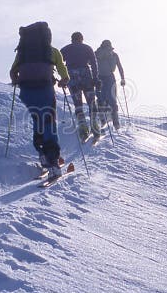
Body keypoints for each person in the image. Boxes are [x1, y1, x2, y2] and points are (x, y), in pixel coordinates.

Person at [9, 21, 69, 179]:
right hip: (45, 89)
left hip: (27, 92)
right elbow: (62, 69)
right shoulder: (51, 51)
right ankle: (53, 161)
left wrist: (16, 80)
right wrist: (64, 79)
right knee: (49, 121)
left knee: (38, 120)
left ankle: (42, 153)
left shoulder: (23, 52)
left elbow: (12, 71)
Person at [60, 32, 100, 141]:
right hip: (86, 76)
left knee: (78, 104)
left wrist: (63, 78)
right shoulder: (87, 48)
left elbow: (58, 62)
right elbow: (94, 64)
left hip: (72, 77)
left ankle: (83, 128)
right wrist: (95, 78)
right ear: (82, 39)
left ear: (72, 39)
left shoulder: (65, 49)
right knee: (91, 101)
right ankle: (94, 125)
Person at [95, 39, 126, 129]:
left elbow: (90, 63)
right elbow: (120, 67)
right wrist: (122, 79)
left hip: (99, 78)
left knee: (100, 99)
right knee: (112, 100)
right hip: (110, 78)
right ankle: (116, 123)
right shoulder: (114, 54)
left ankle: (103, 121)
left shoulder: (96, 53)